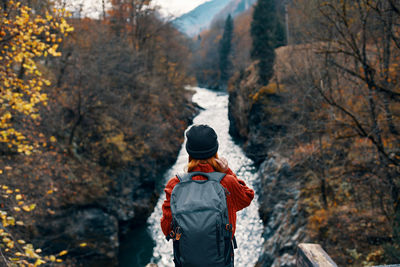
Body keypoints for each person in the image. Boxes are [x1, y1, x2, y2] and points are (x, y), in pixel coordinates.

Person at [160, 124, 254, 266]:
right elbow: (247, 197)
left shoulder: (174, 185)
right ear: (215, 150)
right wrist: (227, 171)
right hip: (222, 261)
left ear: (189, 152)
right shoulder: (226, 182)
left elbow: (167, 228)